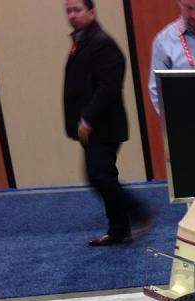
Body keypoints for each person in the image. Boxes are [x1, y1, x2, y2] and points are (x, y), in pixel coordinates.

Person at [63, 0, 151, 246]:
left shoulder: (101, 44)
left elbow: (108, 87)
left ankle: (139, 212)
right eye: (68, 11)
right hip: (93, 127)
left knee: (98, 175)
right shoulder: (82, 41)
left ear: (91, 12)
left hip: (103, 126)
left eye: (77, 10)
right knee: (104, 175)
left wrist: (87, 119)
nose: (72, 15)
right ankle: (119, 229)